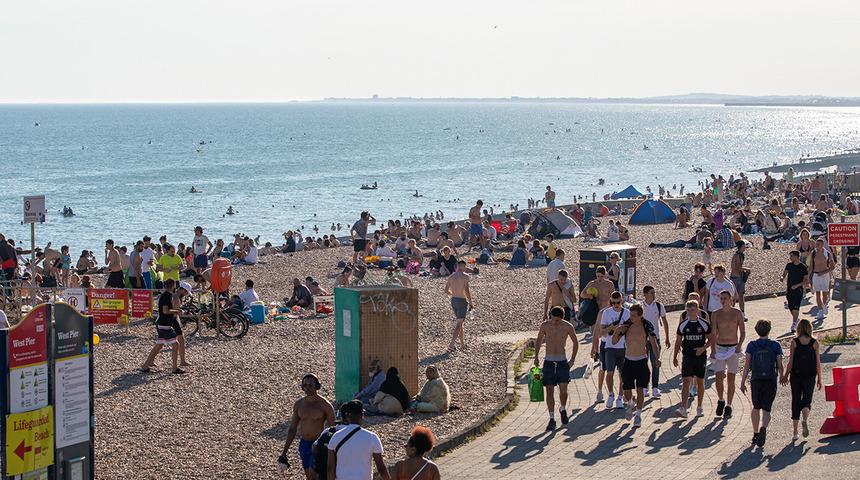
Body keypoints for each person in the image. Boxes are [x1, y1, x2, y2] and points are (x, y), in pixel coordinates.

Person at [277, 374, 336, 479]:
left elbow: (333, 429)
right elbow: (292, 429)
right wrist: (284, 452)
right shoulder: (299, 405)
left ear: (317, 386)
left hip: (318, 445)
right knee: (308, 475)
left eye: (310, 385)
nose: (307, 388)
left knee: (313, 473)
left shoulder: (325, 405)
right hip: (304, 444)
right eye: (305, 385)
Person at [612, 303, 660, 427]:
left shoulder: (646, 325)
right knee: (626, 388)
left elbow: (654, 343)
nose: (631, 317)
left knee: (640, 389)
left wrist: (657, 358)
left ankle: (638, 415)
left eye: (633, 315)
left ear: (640, 315)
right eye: (630, 315)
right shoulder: (626, 325)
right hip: (628, 360)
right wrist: (617, 331)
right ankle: (630, 403)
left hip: (641, 361)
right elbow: (614, 341)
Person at [740, 320, 784, 447]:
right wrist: (782, 376)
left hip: (756, 379)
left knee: (756, 407)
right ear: (769, 330)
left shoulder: (752, 345)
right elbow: (780, 364)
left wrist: (743, 382)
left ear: (756, 330)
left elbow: (747, 365)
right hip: (770, 379)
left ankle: (755, 433)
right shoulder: (775, 345)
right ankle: (763, 427)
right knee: (767, 409)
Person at [534, 306, 578, 430]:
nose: (555, 323)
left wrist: (573, 359)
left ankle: (563, 408)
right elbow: (538, 341)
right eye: (553, 320)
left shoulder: (568, 326)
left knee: (563, 390)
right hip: (548, 361)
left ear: (562, 318)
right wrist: (536, 357)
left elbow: (575, 342)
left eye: (558, 321)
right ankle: (552, 418)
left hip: (562, 362)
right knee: (549, 390)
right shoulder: (545, 325)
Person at [326, 400, 390, 480]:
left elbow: (330, 468)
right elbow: (381, 468)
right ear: (362, 415)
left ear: (347, 416)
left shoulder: (336, 436)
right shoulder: (372, 437)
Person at [781, 319, 822, 441]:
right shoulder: (815, 343)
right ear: (810, 328)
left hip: (796, 375)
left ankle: (795, 432)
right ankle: (804, 420)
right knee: (807, 400)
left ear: (798, 329)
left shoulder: (794, 342)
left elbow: (791, 362)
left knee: (795, 400)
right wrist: (819, 378)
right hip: (810, 375)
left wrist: (785, 375)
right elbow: (818, 363)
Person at [673, 299, 713, 418]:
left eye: (693, 309)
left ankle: (699, 407)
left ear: (698, 310)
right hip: (687, 356)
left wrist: (704, 348)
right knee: (686, 381)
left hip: (700, 357)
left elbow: (711, 339)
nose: (691, 312)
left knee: (700, 381)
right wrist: (675, 356)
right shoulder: (683, 325)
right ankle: (683, 408)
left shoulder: (704, 324)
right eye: (689, 310)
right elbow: (678, 341)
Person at [139, 279, 188, 374]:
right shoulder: (166, 296)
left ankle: (145, 366)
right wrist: (177, 311)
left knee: (159, 345)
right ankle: (174, 368)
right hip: (165, 324)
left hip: (162, 323)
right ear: (173, 286)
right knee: (175, 344)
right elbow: (165, 311)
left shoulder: (165, 295)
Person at [710, 290, 746, 419]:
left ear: (730, 299)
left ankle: (729, 405)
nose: (723, 300)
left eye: (725, 298)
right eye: (721, 298)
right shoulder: (715, 314)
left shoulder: (737, 313)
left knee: (731, 378)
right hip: (720, 347)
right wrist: (713, 350)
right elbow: (713, 333)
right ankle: (720, 400)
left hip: (733, 348)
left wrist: (739, 345)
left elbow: (742, 331)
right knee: (719, 376)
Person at [595, 291, 629, 410]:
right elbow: (601, 332)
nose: (616, 305)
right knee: (609, 373)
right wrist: (611, 327)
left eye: (618, 302)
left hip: (623, 347)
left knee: (622, 374)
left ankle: (620, 397)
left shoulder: (627, 313)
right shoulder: (606, 313)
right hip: (609, 346)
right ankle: (611, 394)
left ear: (622, 301)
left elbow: (630, 331)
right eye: (613, 302)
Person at [641, 286, 669, 397]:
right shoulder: (640, 306)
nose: (654, 294)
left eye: (654, 292)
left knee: (655, 362)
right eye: (652, 292)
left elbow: (664, 321)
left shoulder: (659, 306)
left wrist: (667, 337)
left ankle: (655, 387)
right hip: (642, 339)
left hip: (655, 338)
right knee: (643, 364)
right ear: (645, 294)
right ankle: (644, 386)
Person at [445, 260, 473, 352]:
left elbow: (446, 290)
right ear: (464, 266)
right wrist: (471, 302)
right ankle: (452, 344)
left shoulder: (451, 276)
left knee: (459, 322)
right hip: (462, 300)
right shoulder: (466, 276)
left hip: (453, 300)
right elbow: (467, 290)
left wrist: (453, 293)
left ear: (457, 266)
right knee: (459, 323)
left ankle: (462, 343)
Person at [782, 251, 809, 331]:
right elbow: (784, 273)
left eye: (791, 256)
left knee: (796, 307)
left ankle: (794, 324)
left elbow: (806, 280)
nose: (790, 258)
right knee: (791, 307)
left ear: (796, 256)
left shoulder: (803, 267)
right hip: (789, 289)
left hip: (798, 290)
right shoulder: (789, 265)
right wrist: (782, 277)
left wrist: (797, 285)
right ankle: (796, 319)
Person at [810, 238, 835, 320]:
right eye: (816, 244)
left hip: (825, 275)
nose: (817, 246)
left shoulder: (827, 254)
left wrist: (824, 272)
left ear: (822, 245)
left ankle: (824, 305)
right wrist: (807, 276)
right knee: (817, 293)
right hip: (816, 275)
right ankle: (820, 311)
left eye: (818, 244)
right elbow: (810, 266)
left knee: (824, 293)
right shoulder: (813, 253)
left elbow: (832, 266)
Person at [730, 240, 750, 315]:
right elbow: (737, 267)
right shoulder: (737, 255)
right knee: (734, 296)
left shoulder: (741, 255)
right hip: (735, 277)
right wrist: (747, 269)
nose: (745, 248)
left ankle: (742, 312)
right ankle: (731, 311)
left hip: (739, 277)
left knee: (741, 295)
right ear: (741, 247)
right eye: (744, 246)